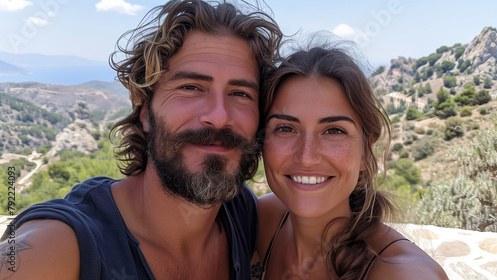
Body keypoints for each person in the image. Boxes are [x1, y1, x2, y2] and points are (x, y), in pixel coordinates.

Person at [0, 1, 282, 279]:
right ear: (145, 113)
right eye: (191, 87)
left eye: (241, 93)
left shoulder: (240, 213)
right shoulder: (60, 248)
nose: (219, 117)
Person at [252, 46, 449, 279]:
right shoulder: (266, 217)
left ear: (366, 152)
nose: (307, 156)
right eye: (285, 128)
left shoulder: (401, 272)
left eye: (333, 131)